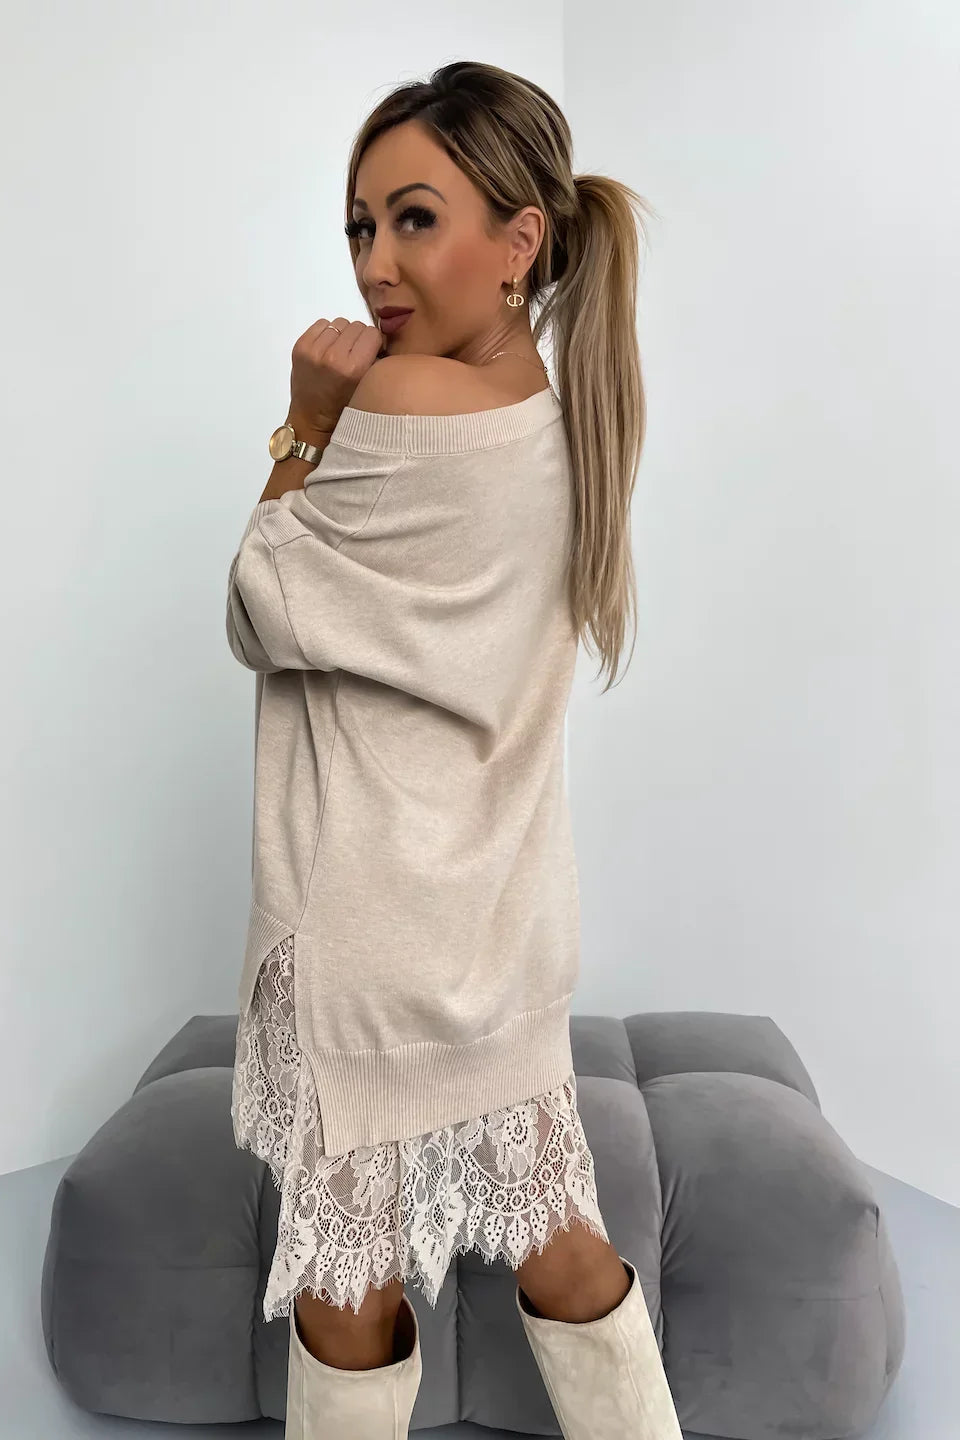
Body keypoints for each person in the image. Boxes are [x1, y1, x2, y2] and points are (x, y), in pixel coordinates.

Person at [225, 59, 681, 1440]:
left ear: (519, 237)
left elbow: (256, 601)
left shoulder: (401, 401)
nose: (377, 264)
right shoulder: (560, 399)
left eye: (415, 219)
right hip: (504, 925)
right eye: (361, 226)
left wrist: (303, 423)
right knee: (564, 1246)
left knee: (344, 1287)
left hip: (369, 931)